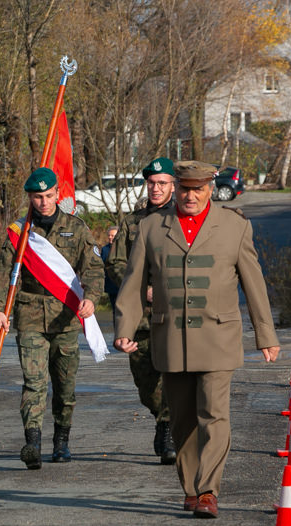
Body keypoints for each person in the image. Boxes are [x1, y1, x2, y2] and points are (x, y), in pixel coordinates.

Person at [113, 160, 280, 519]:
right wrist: (125, 329)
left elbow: (254, 284)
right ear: (176, 188)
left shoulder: (234, 226)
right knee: (182, 420)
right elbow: (132, 283)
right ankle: (190, 489)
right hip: (171, 337)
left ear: (209, 190)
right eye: (185, 189)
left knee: (214, 415)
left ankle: (208, 490)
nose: (191, 196)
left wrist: (265, 335)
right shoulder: (151, 228)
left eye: (198, 190)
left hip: (219, 337)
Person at [0, 168, 104, 469]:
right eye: (36, 197)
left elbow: (93, 268)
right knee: (34, 381)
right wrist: (1, 309)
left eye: (47, 195)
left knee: (64, 385)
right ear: (29, 197)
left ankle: (61, 441)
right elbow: (5, 273)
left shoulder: (76, 228)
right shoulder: (20, 231)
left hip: (65, 318)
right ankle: (32, 442)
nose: (43, 202)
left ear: (58, 193)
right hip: (29, 315)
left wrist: (92, 298)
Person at [106, 158, 178, 465]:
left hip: (176, 315)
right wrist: (140, 287)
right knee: (146, 383)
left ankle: (170, 430)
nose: (157, 188)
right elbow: (115, 262)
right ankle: (162, 418)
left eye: (163, 183)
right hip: (142, 316)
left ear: (173, 186)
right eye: (152, 183)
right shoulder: (132, 222)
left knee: (175, 375)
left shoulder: (181, 220)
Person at [100, 225, 119, 309]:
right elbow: (102, 264)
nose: (110, 237)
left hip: (122, 284)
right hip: (111, 284)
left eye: (113, 235)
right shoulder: (105, 249)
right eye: (109, 235)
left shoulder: (124, 248)